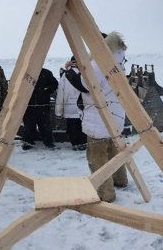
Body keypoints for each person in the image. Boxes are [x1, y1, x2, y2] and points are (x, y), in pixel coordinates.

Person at [63, 31, 129, 203]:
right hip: (115, 117)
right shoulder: (117, 64)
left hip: (99, 119)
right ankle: (120, 180)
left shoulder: (98, 65)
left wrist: (69, 70)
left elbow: (84, 85)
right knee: (114, 150)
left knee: (97, 156)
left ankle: (105, 193)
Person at [21, 68, 59, 150]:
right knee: (29, 125)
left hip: (43, 104)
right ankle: (28, 142)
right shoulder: (25, 73)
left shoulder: (46, 73)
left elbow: (54, 83)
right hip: (29, 104)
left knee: (45, 124)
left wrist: (48, 89)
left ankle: (48, 141)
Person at [56, 56, 87, 151]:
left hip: (71, 108)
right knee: (82, 128)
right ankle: (81, 143)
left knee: (72, 128)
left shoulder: (66, 75)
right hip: (83, 108)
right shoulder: (85, 74)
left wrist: (58, 112)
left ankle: (76, 144)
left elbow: (60, 94)